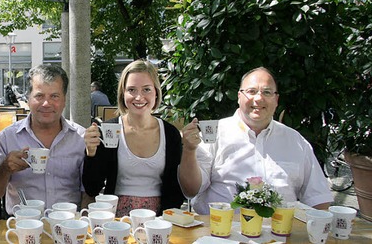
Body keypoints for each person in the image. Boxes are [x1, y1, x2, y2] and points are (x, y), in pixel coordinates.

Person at [184, 67, 333, 214]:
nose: (259, 98)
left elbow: (318, 198)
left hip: (280, 233)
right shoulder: (215, 135)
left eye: (267, 92)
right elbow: (191, 189)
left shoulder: (296, 142)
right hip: (222, 233)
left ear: (276, 100)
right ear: (239, 96)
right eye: (251, 91)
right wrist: (189, 150)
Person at [82, 60, 201, 217]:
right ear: (122, 93)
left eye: (146, 89)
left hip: (160, 218)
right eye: (132, 90)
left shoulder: (170, 133)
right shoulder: (109, 130)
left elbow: (184, 190)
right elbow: (92, 188)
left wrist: (189, 148)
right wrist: (91, 153)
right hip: (117, 220)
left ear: (156, 93)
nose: (139, 97)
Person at [0, 65, 88, 214]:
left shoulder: (80, 138)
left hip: (67, 225)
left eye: (54, 96)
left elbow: (89, 193)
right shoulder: (8, 138)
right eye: (39, 96)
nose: (46, 103)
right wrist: (5, 168)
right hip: (22, 225)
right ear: (28, 99)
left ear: (64, 100)